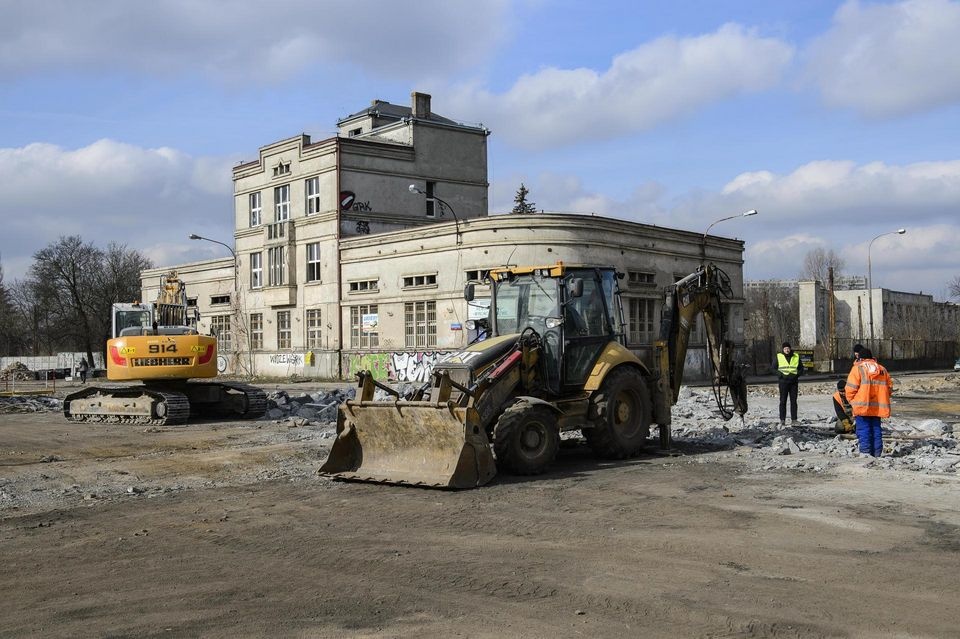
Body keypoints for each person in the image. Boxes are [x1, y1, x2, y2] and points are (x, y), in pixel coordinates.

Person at [844, 347, 893, 457]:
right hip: (878, 408)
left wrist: (853, 402)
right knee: (876, 431)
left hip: (862, 407)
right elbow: (889, 388)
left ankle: (865, 454)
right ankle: (877, 454)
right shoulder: (882, 369)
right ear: (872, 358)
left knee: (863, 430)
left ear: (860, 358)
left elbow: (850, 389)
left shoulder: (858, 369)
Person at [776, 342, 803, 427]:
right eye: (785, 348)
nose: (787, 350)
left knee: (793, 401)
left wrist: (797, 375)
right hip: (783, 382)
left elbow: (801, 368)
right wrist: (780, 375)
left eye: (788, 348)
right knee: (783, 401)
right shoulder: (779, 356)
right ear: (783, 349)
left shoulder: (796, 356)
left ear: (790, 349)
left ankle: (794, 420)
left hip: (793, 383)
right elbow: (773, 368)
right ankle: (782, 420)